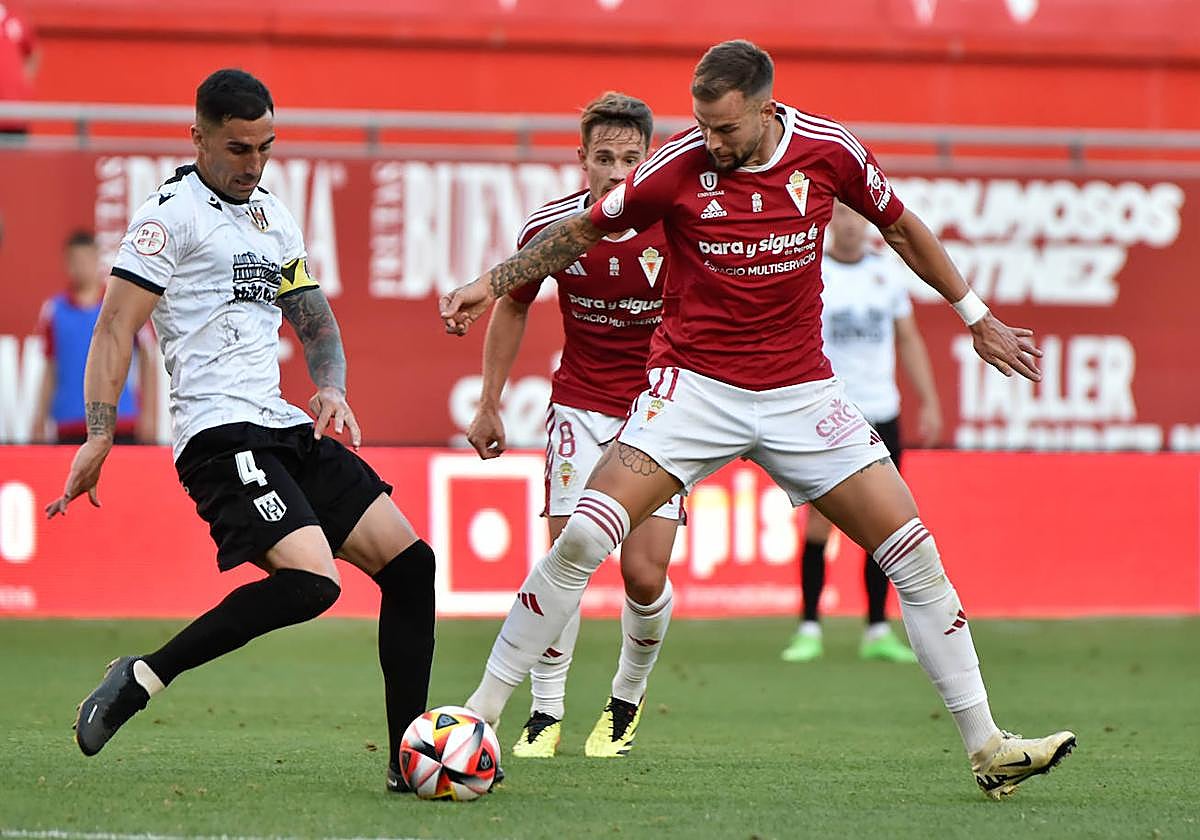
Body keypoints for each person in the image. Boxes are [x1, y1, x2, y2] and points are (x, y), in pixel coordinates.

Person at [440, 40, 1075, 799]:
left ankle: (988, 746)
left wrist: (977, 317)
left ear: (767, 111)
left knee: (913, 552)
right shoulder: (674, 168)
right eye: (702, 127)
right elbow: (582, 229)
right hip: (693, 393)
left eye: (726, 131)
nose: (711, 144)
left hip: (802, 394)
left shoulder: (828, 152)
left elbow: (901, 227)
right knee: (582, 536)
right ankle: (478, 716)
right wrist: (489, 281)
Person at [45, 69, 438, 795]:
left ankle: (407, 760)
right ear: (197, 137)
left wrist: (332, 387)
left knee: (412, 566)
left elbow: (312, 316)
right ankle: (142, 676)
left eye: (265, 147)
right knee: (313, 583)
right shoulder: (168, 220)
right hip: (219, 436)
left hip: (282, 425)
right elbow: (113, 327)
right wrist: (99, 434)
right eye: (237, 148)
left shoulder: (272, 217)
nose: (253, 164)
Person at [466, 92, 680, 759]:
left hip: (659, 413)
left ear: (650, 158)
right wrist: (490, 401)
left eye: (630, 159)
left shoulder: (677, 223)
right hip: (580, 405)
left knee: (644, 577)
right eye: (604, 158)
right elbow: (512, 305)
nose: (617, 172)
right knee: (569, 555)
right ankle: (545, 710)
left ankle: (626, 698)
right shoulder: (553, 229)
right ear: (581, 159)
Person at [781, 201, 942, 664]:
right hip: (830, 414)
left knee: (885, 520)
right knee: (819, 519)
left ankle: (877, 628)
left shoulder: (886, 274)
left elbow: (908, 337)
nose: (850, 226)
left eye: (857, 218)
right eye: (843, 218)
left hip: (882, 411)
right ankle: (809, 625)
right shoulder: (814, 272)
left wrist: (927, 398)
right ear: (831, 222)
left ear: (866, 225)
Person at [32, 230, 158, 445]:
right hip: (70, 423)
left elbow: (148, 357)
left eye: (86, 259)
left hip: (120, 421)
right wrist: (39, 418)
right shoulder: (54, 310)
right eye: (75, 261)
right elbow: (51, 369)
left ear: (96, 259)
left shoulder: (120, 304)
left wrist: (150, 415)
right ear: (67, 263)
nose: (81, 266)